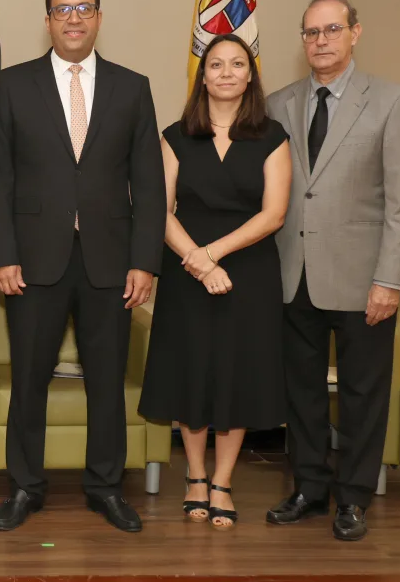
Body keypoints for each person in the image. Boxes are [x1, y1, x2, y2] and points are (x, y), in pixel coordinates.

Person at [0, 0, 165, 533]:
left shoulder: (132, 87)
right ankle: (25, 488)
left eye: (84, 8)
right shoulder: (12, 85)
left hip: (111, 262)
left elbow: (150, 183)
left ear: (100, 17)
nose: (74, 18)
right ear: (48, 20)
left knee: (106, 380)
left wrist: (145, 260)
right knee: (29, 378)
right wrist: (2, 256)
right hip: (33, 260)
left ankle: (106, 488)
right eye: (63, 10)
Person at [265, 0, 400, 542]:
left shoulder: (393, 102)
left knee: (361, 393)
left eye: (332, 29)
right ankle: (309, 486)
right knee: (300, 392)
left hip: (363, 281)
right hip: (292, 275)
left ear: (356, 32)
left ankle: (352, 497)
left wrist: (389, 279)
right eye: (310, 32)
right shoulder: (278, 102)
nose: (321, 40)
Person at [137, 34, 290, 529]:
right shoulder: (176, 135)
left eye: (237, 64)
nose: (226, 72)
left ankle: (223, 480)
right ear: (202, 76)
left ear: (251, 75)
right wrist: (198, 262)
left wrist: (214, 255)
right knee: (194, 371)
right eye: (216, 64)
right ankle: (196, 475)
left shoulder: (272, 136)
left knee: (236, 375)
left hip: (248, 271)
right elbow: (158, 211)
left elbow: (274, 215)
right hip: (187, 270)